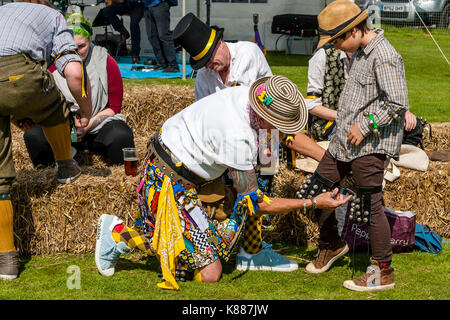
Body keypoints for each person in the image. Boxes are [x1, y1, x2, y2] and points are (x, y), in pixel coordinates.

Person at [94, 75, 352, 289]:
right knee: (211, 272)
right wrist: (313, 202)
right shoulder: (238, 138)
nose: (282, 131)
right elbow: (258, 203)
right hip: (169, 179)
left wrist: (331, 161)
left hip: (190, 167)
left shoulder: (254, 95)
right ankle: (118, 235)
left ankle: (252, 251)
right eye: (279, 125)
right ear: (264, 118)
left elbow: (287, 136)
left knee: (259, 175)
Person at [172, 13, 326, 269]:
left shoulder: (250, 53)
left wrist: (268, 148)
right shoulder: (203, 77)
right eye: (204, 64)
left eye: (211, 60)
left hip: (266, 129)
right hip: (232, 139)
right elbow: (205, 114)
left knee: (262, 185)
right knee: (237, 192)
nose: (210, 66)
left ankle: (254, 244)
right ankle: (245, 245)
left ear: (219, 43)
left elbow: (270, 107)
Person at [300, 0, 409, 291]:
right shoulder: (359, 51)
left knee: (370, 207)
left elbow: (397, 104)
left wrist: (365, 125)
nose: (336, 46)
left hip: (369, 146)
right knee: (315, 189)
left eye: (337, 40)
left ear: (354, 30)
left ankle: (382, 273)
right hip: (343, 144)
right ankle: (332, 244)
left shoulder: (384, 55)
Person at [0, 0, 92, 280]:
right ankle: (66, 166)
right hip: (19, 72)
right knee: (55, 106)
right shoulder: (53, 16)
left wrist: (16, 112)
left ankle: (6, 260)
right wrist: (85, 109)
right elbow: (74, 73)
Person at [23, 13, 135, 167]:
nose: (76, 52)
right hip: (61, 127)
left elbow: (114, 107)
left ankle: (122, 177)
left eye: (81, 46)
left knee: (121, 135)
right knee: (34, 135)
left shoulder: (106, 62)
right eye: (71, 47)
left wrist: (87, 125)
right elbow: (42, 103)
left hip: (97, 125)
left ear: (91, 40)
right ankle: (48, 175)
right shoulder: (51, 64)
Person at [306, 44, 419, 142]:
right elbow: (311, 105)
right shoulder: (323, 56)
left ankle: (400, 155)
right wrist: (346, 117)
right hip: (332, 123)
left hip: (368, 119)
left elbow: (388, 91)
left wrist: (404, 111)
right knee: (363, 134)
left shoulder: (371, 54)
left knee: (413, 127)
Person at [102, 0, 145, 64]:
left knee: (134, 26)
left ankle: (135, 55)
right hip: (125, 4)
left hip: (137, 4)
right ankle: (123, 31)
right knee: (107, 10)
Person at [143, 0, 179, 73]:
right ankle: (162, 63)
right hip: (148, 5)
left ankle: (173, 65)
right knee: (152, 37)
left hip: (160, 3)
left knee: (163, 35)